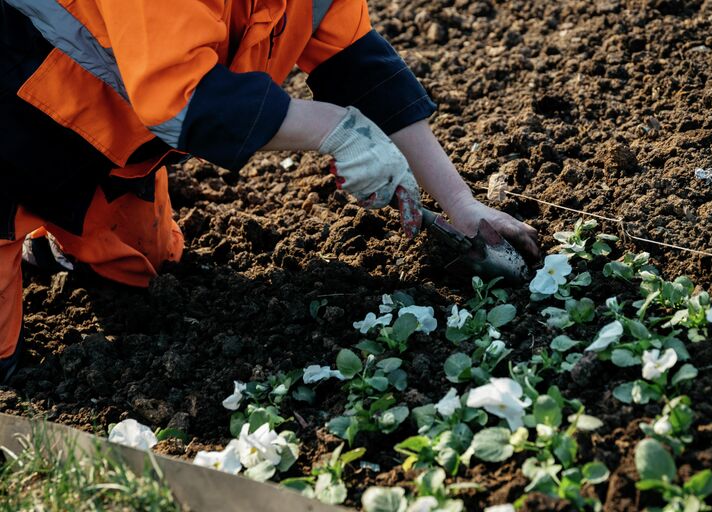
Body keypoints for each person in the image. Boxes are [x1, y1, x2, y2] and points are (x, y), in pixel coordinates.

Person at [0, 0, 539, 382]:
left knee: (146, 270)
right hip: (12, 113)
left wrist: (461, 204)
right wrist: (334, 129)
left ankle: (56, 234)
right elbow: (186, 103)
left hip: (103, 137)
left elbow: (356, 62)